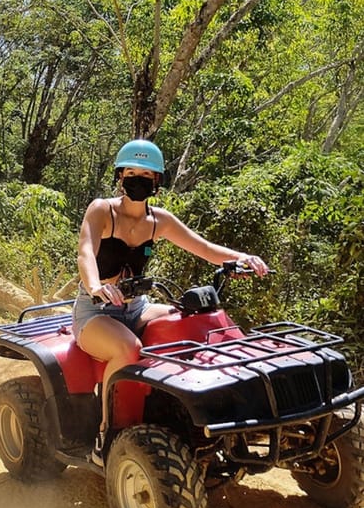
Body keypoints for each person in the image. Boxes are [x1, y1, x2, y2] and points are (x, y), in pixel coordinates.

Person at [72, 139, 269, 466]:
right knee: (127, 349)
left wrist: (241, 257)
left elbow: (204, 248)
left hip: (136, 307)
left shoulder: (158, 221)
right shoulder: (101, 210)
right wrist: (96, 286)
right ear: (120, 176)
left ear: (156, 182)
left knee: (193, 323)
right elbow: (86, 252)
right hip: (95, 311)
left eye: (146, 175)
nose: (137, 180)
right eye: (131, 173)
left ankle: (212, 414)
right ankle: (107, 434)